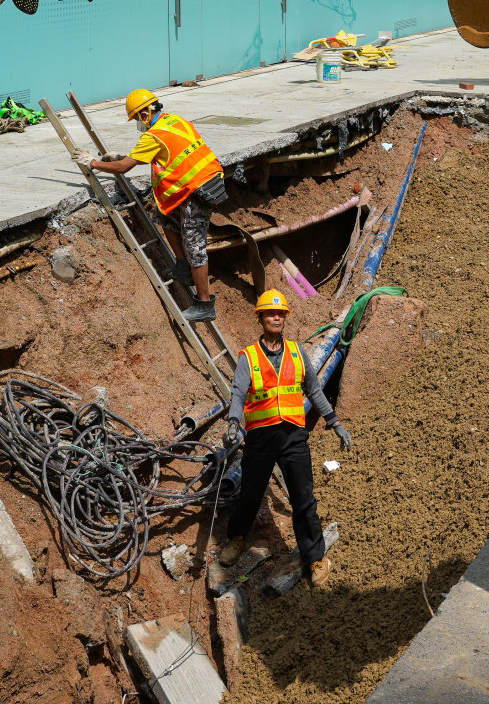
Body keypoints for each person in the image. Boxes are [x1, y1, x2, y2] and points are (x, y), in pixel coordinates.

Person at [217, 289, 351, 587]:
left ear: (285, 318)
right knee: (251, 493)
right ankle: (237, 539)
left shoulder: (297, 352)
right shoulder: (248, 357)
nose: (276, 317)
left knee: (304, 499)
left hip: (293, 437)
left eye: (280, 314)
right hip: (261, 439)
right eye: (270, 313)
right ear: (261, 318)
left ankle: (315, 556)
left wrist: (335, 421)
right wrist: (233, 424)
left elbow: (314, 391)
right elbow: (238, 394)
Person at [86, 89, 225, 323]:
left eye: (137, 118)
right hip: (203, 180)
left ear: (145, 113)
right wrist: (120, 156)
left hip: (198, 189)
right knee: (164, 216)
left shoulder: (153, 136)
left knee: (194, 245)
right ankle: (183, 267)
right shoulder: (175, 120)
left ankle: (204, 303)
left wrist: (92, 163)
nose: (138, 124)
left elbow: (123, 168)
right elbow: (164, 152)